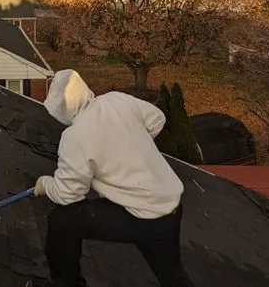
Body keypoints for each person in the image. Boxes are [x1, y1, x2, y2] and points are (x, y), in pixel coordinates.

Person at [35, 69, 193, 287]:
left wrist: (45, 184)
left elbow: (68, 194)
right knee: (171, 273)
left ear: (60, 110)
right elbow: (157, 119)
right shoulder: (116, 100)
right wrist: (131, 145)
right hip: (169, 207)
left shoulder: (75, 137)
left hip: (140, 216)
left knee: (62, 221)